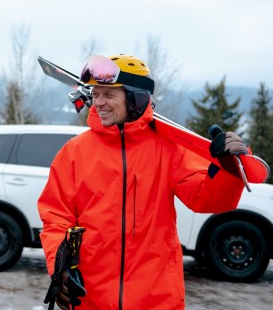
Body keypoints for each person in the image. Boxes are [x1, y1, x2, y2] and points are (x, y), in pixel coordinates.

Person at [38, 54, 251, 310]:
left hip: (156, 298)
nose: (98, 103)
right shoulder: (74, 153)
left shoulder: (169, 149)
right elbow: (55, 217)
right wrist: (59, 266)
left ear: (136, 98)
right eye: (95, 94)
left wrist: (226, 169)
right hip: (91, 298)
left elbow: (207, 199)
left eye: (109, 94)